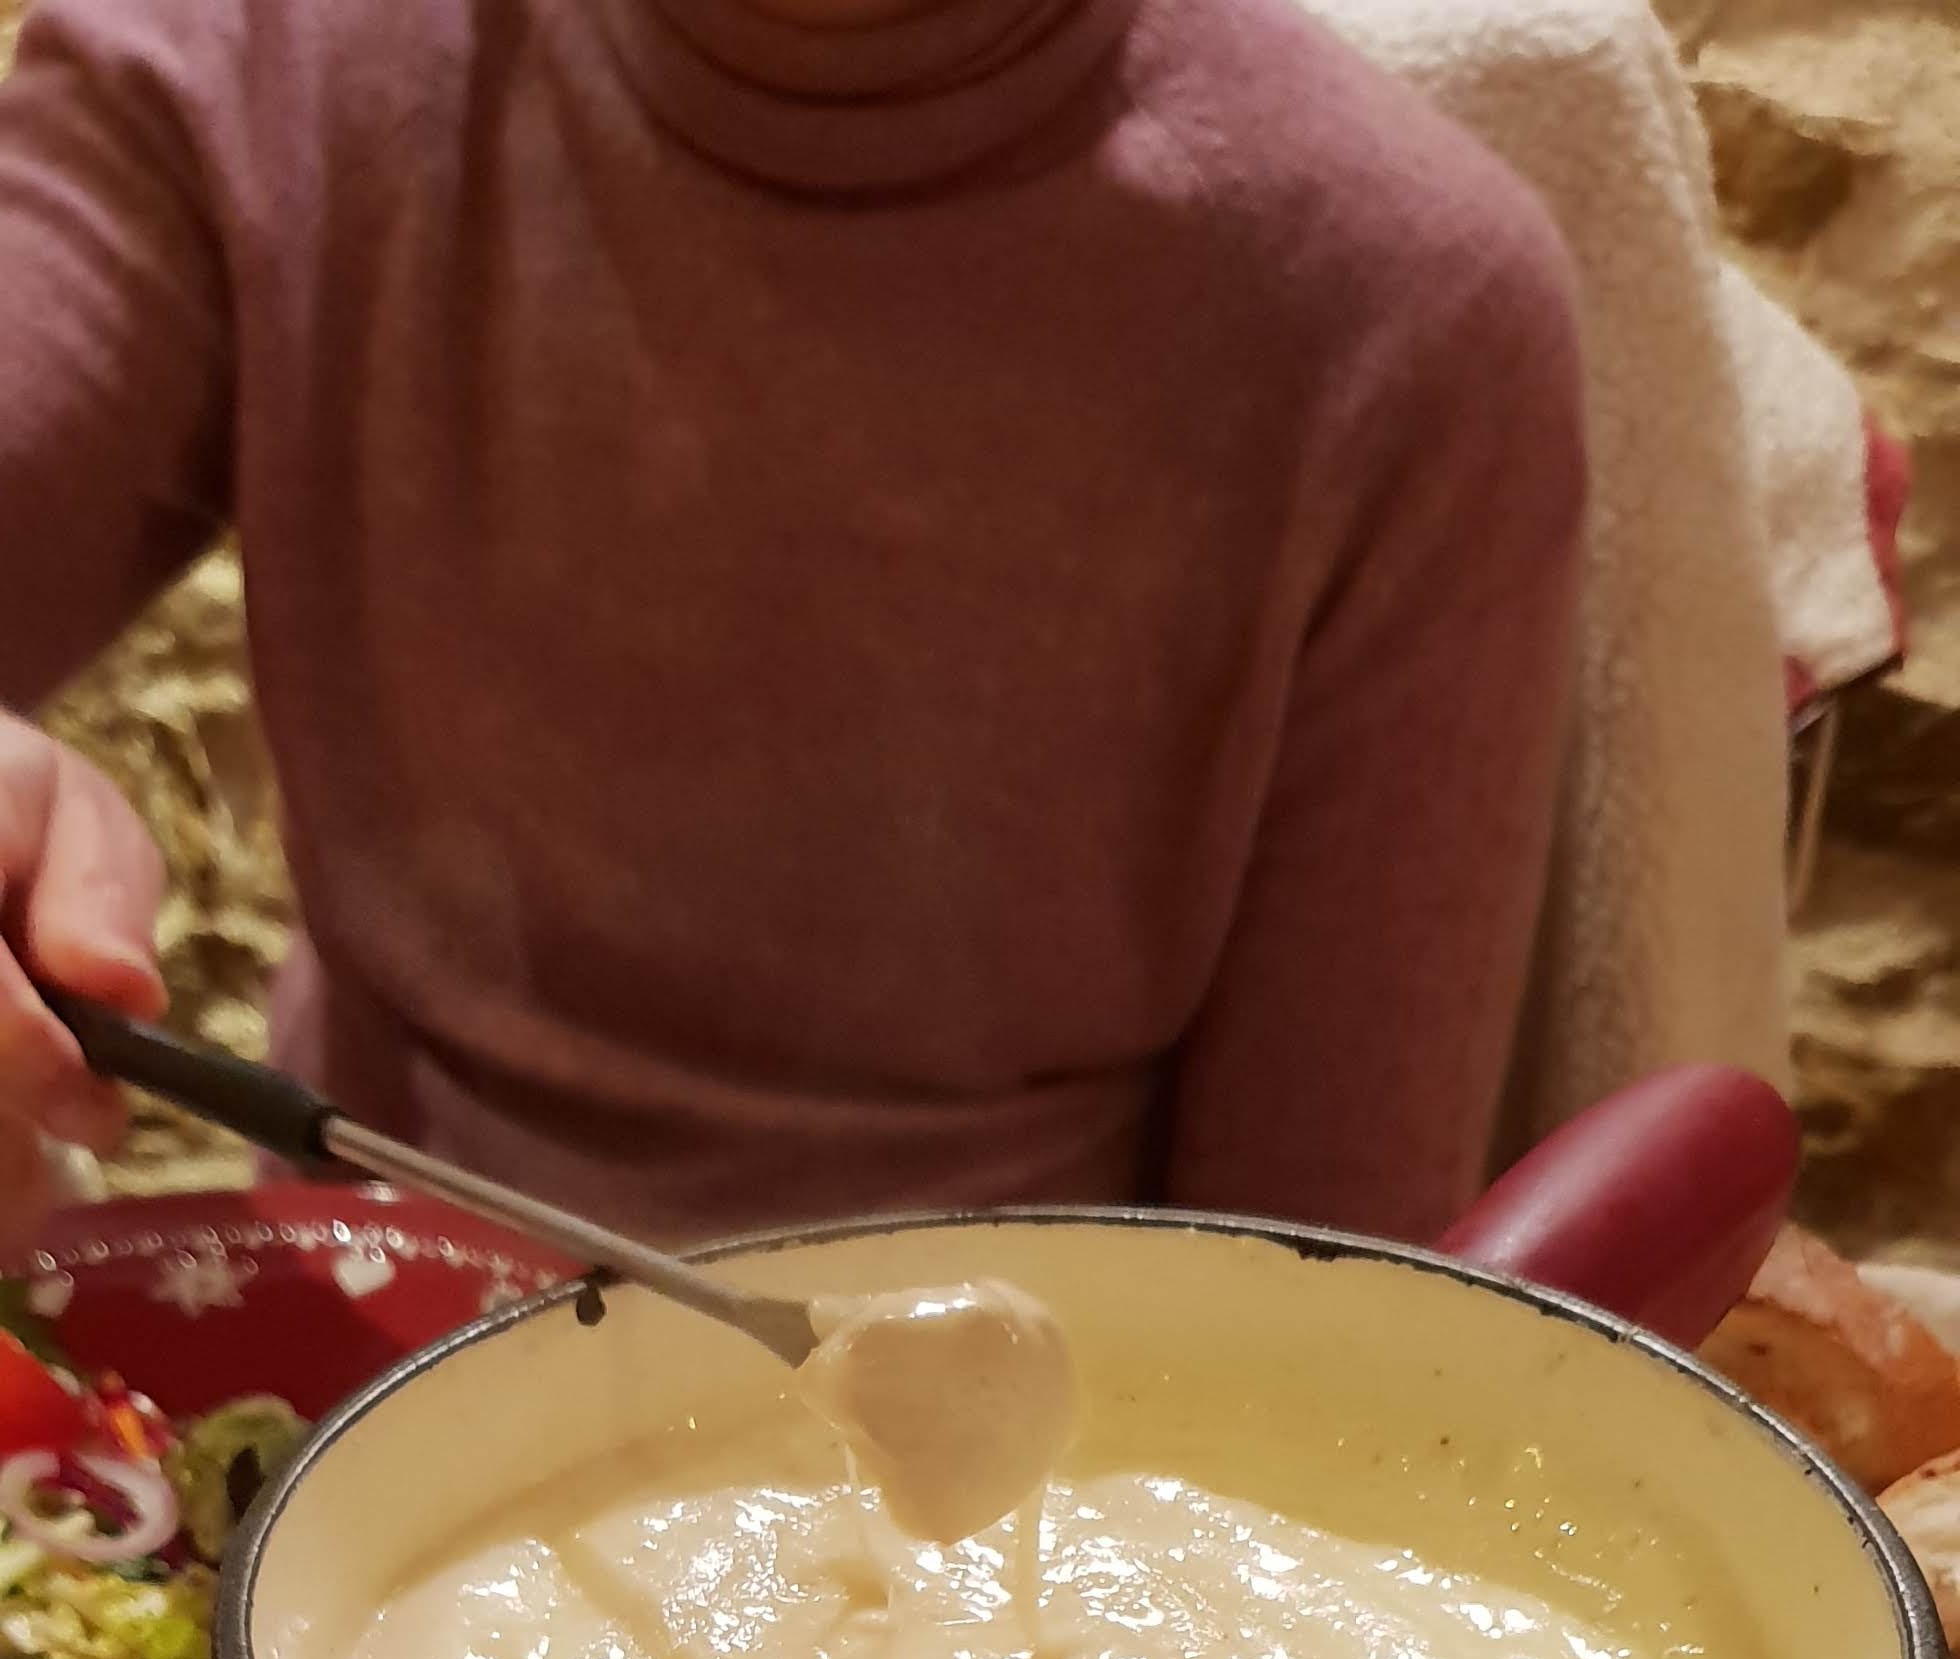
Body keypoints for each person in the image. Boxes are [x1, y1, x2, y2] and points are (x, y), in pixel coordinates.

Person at [0, 0, 1586, 1266]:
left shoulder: (1406, 318)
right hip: (342, 1375)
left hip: (1019, 1476)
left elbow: (1295, 1331)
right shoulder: (255, 52)